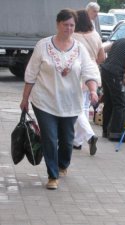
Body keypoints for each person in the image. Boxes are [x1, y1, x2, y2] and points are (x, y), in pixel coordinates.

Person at [20, 9, 100, 190]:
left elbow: (89, 71)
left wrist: (93, 91)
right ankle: (52, 175)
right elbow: (31, 73)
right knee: (49, 137)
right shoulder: (43, 45)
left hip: (71, 102)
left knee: (67, 139)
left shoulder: (79, 49)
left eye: (72, 25)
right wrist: (25, 98)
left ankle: (63, 164)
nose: (69, 28)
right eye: (66, 25)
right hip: (44, 101)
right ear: (58, 24)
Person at [72, 9, 105, 155]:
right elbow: (102, 57)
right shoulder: (96, 35)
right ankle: (78, 141)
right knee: (84, 106)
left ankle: (90, 135)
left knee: (76, 107)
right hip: (92, 72)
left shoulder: (73, 36)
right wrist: (92, 62)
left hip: (77, 73)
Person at [101, 31, 125, 140]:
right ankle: (115, 133)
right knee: (120, 103)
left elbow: (102, 50)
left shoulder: (117, 41)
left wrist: (107, 61)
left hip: (105, 70)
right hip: (115, 73)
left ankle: (105, 130)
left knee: (108, 101)